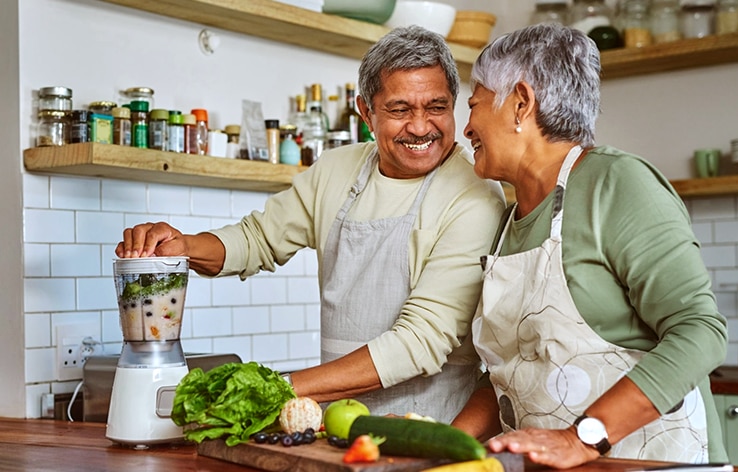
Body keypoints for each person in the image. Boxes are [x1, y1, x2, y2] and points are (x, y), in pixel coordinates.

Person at [115, 25, 506, 423]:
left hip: (431, 433)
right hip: (332, 428)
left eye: (436, 108)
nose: (421, 127)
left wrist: (276, 389)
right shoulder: (338, 170)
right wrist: (184, 246)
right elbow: (259, 239)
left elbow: (420, 341)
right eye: (400, 110)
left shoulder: (474, 195)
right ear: (366, 112)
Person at [450, 23, 728, 468]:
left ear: (521, 103)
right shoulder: (507, 224)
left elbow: (700, 332)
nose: (467, 128)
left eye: (475, 106)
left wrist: (582, 439)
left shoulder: (618, 183)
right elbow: (510, 379)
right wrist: (437, 447)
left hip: (651, 461)